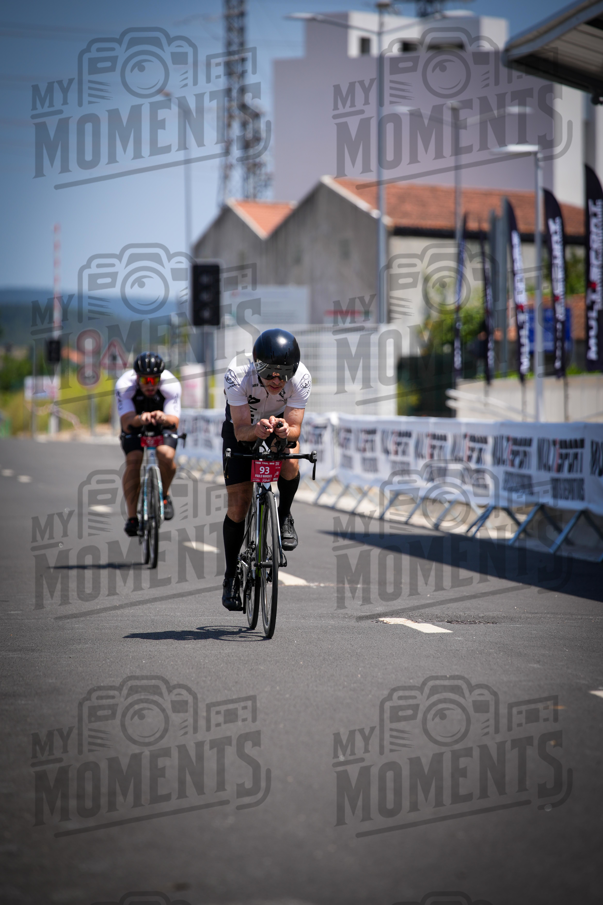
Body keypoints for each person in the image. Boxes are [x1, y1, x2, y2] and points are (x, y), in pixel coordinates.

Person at [221, 328, 312, 611]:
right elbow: (239, 429)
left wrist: (285, 430)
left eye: (283, 373)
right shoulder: (237, 372)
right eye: (270, 372)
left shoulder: (302, 378)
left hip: (277, 423)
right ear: (257, 366)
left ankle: (283, 516)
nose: (277, 379)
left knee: (290, 460)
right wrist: (255, 430)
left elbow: (295, 427)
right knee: (238, 505)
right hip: (243, 426)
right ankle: (230, 577)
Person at [116, 351, 182, 537]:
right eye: (146, 381)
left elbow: (174, 422)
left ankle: (165, 495)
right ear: (137, 378)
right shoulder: (124, 385)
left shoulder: (171, 385)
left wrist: (163, 417)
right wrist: (140, 419)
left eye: (155, 380)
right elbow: (126, 423)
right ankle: (131, 518)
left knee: (166, 455)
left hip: (162, 423)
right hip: (135, 423)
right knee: (134, 459)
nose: (150, 386)